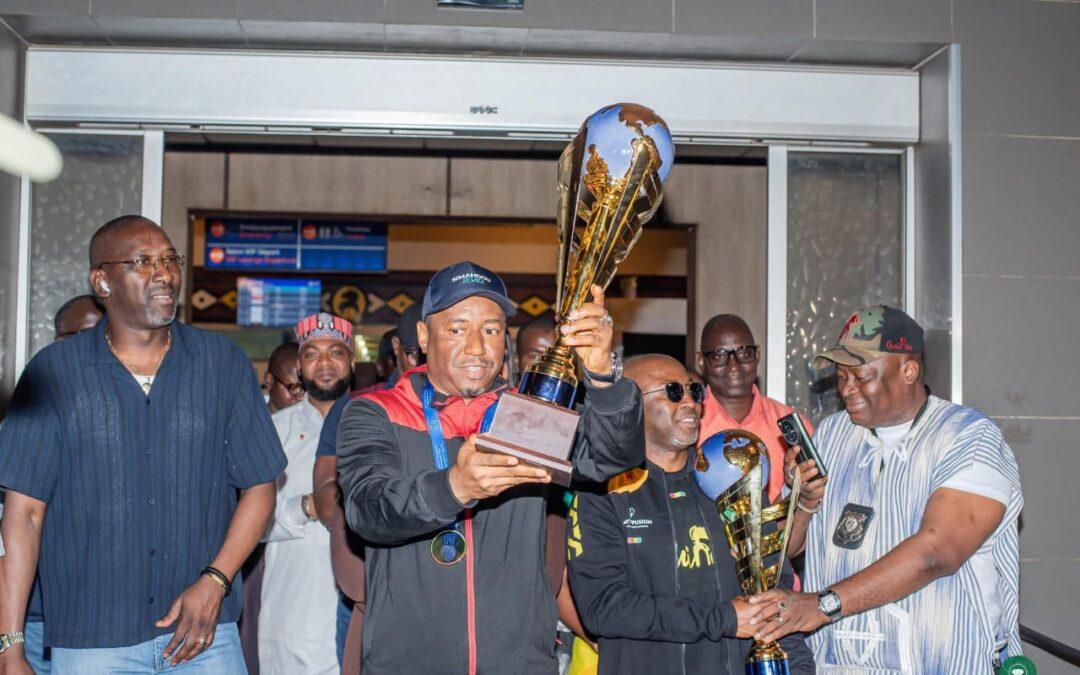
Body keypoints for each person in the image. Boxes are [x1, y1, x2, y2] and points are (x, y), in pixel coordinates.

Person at [0, 215, 287, 674]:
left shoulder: (221, 364)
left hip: (203, 639)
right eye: (143, 261)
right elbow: (24, 514)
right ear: (102, 281)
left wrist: (215, 582)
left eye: (170, 258)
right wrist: (10, 647)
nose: (164, 272)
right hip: (92, 641)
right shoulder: (55, 372)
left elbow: (260, 486)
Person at [336, 260, 644, 674]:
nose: (477, 348)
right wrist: (454, 487)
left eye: (491, 330)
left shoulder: (528, 415)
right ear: (424, 337)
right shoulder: (376, 413)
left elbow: (611, 458)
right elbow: (367, 509)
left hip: (519, 662)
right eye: (458, 328)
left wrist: (603, 378)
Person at [747, 305, 1023, 673]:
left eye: (861, 376)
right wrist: (804, 506)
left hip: (944, 663)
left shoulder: (969, 438)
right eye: (841, 376)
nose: (846, 389)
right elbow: (786, 549)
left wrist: (821, 605)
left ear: (909, 371)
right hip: (838, 664)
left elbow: (937, 552)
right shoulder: (832, 434)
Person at [566, 354, 814, 674]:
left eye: (694, 392)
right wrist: (723, 619)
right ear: (629, 406)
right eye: (672, 392)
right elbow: (603, 607)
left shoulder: (731, 474)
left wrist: (801, 667)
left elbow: (774, 592)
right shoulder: (602, 491)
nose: (690, 403)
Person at [257, 313, 353, 675]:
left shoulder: (378, 421)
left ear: (351, 361)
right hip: (291, 610)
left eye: (336, 352)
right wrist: (307, 507)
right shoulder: (272, 430)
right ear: (298, 366)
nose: (325, 363)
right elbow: (249, 522)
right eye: (312, 354)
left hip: (361, 606)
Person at [697, 314, 811, 502]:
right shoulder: (687, 424)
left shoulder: (792, 425)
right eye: (719, 356)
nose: (734, 366)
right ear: (701, 361)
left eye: (744, 353)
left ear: (757, 354)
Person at [263, 342, 302, 413]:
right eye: (294, 388)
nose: (301, 398)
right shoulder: (248, 422)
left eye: (307, 390)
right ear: (269, 381)